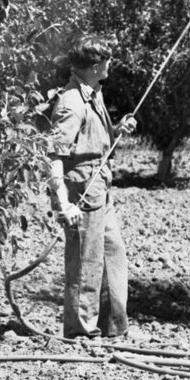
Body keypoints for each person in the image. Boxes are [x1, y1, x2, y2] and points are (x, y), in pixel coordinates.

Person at [46, 41, 137, 340]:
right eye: (108, 61)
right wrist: (63, 204)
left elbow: (92, 140)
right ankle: (82, 333)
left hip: (101, 189)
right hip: (82, 193)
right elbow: (54, 156)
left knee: (113, 255)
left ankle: (114, 326)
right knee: (86, 263)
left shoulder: (93, 93)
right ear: (96, 67)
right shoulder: (72, 102)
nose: (112, 65)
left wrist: (117, 129)